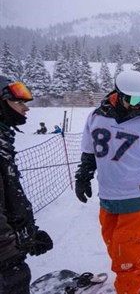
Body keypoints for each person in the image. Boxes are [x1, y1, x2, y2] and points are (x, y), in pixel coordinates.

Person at [75, 71, 140, 294]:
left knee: (125, 249)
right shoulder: (96, 116)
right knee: (113, 242)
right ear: (118, 95)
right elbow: (89, 151)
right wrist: (83, 177)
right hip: (109, 194)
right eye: (133, 100)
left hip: (139, 194)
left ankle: (131, 288)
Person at [0, 76, 53, 293]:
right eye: (19, 102)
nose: (26, 109)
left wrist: (28, 234)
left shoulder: (3, 144)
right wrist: (8, 256)